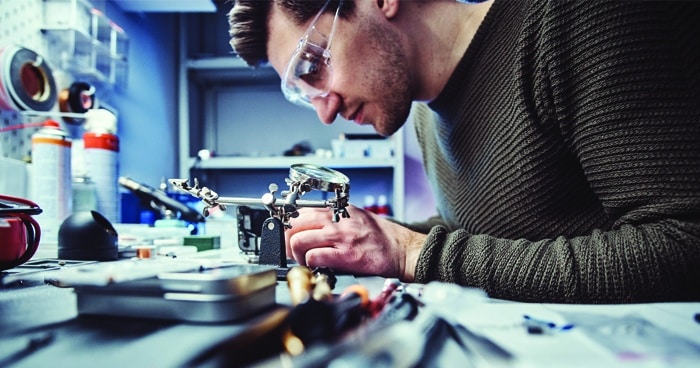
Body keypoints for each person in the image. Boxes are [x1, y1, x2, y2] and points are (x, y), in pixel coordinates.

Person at [227, 0, 700, 303]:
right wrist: (366, 240)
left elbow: (684, 242)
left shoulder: (574, 18)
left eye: (311, 66)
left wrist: (412, 253)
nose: (324, 112)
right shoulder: (424, 116)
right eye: (302, 92)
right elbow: (476, 233)